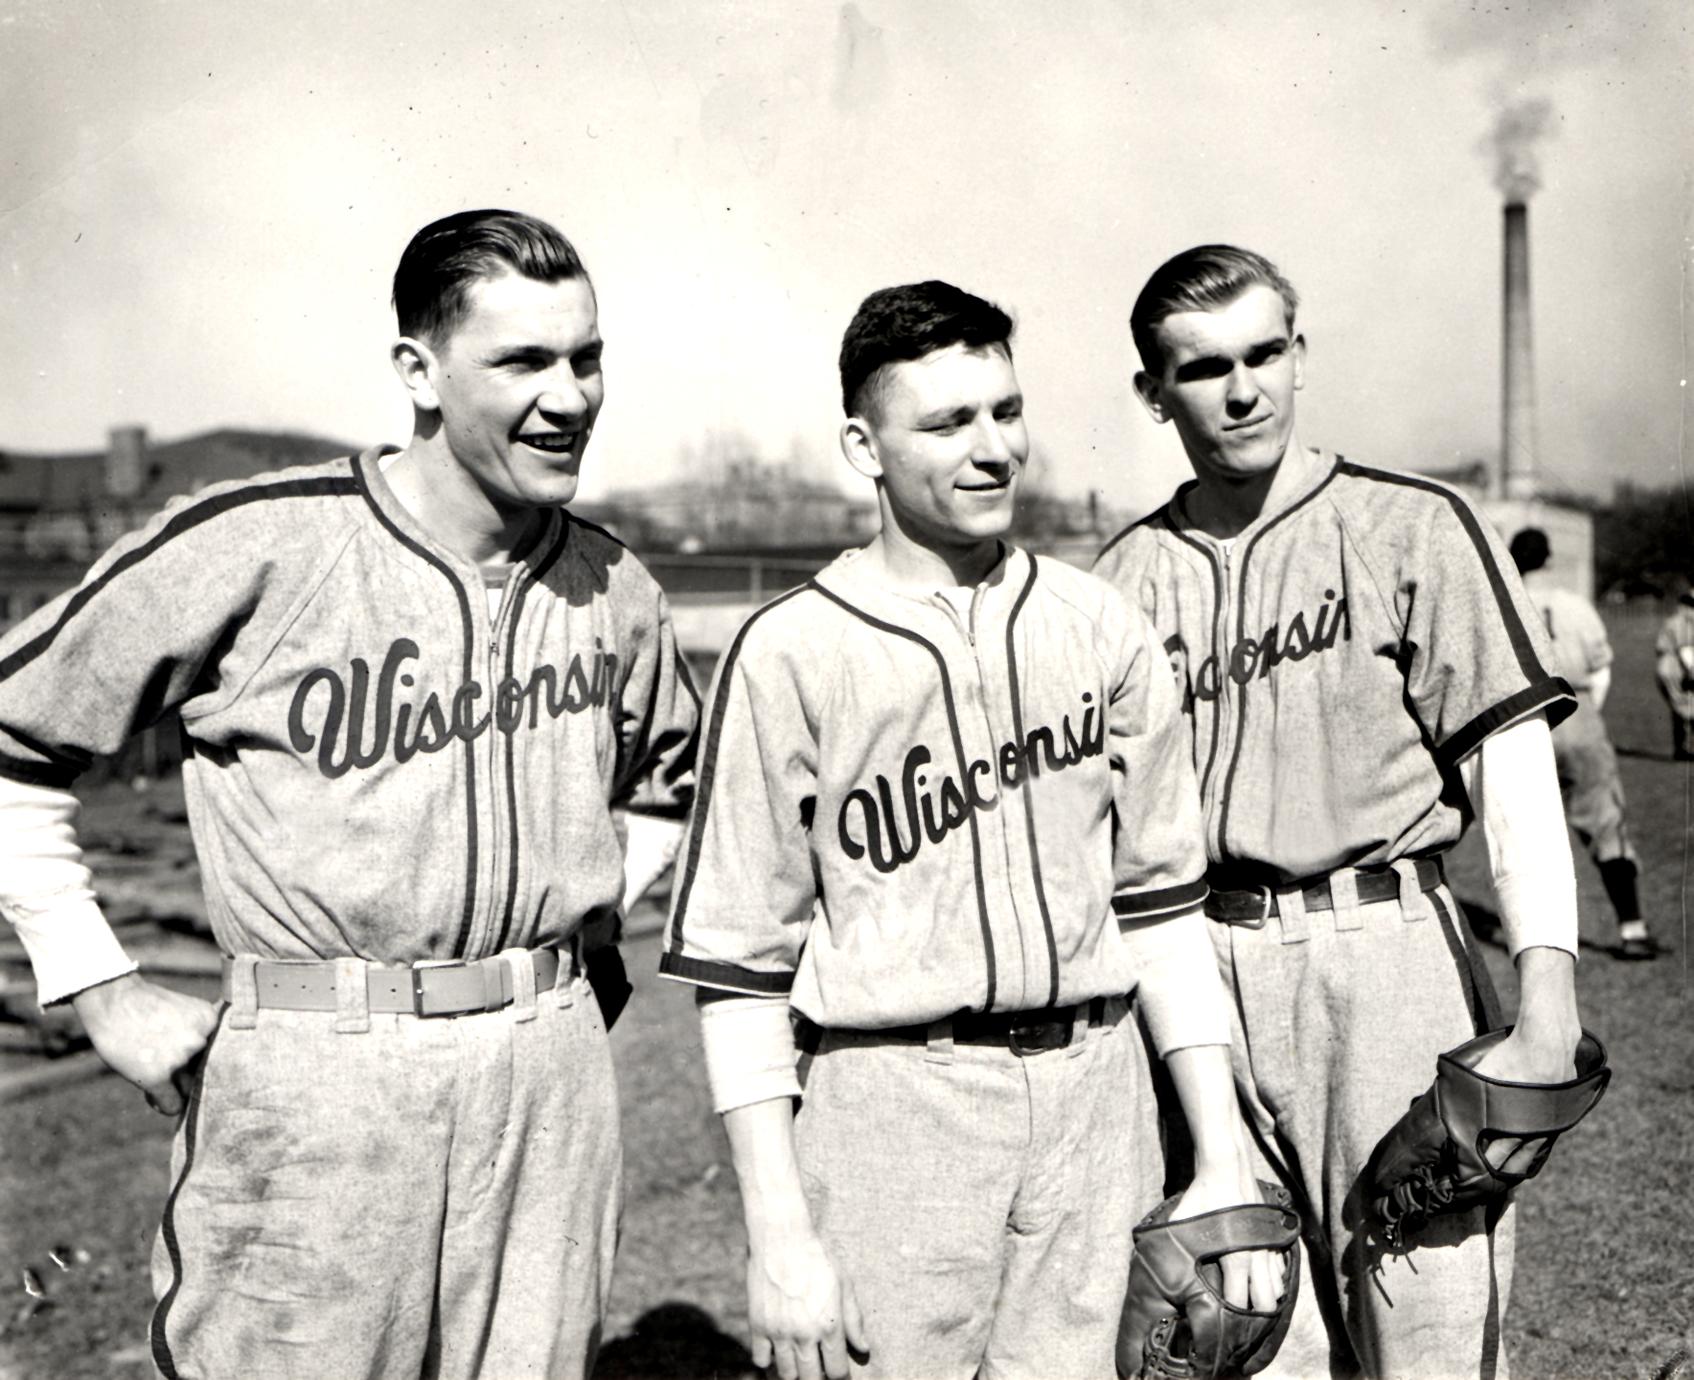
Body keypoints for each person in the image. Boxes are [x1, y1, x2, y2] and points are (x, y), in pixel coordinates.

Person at [0, 209, 698, 1378]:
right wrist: (100, 987)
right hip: (322, 1067)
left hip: (546, 1075)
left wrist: (581, 935)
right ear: (416, 372)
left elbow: (670, 779)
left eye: (585, 357)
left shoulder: (611, 580)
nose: (570, 396)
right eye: (523, 361)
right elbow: (13, 738)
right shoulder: (260, 541)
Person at [660, 280, 1279, 1380]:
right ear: (864, 445)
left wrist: (1220, 1155)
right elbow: (737, 964)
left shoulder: (1100, 624)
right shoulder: (791, 649)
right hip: (894, 1100)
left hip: (1096, 1093)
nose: (992, 448)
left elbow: (1160, 907)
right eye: (947, 423)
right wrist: (778, 1230)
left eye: (1005, 410)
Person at [1095, 245, 1588, 1379]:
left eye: (1266, 352)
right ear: (1152, 392)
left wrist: (1545, 992)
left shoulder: (1410, 524)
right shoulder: (1121, 577)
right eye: (1204, 367)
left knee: (1421, 1329)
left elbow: (1508, 770)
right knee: (1243, 1340)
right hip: (1196, 971)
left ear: (1300, 354)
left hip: (1385, 960)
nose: (1243, 388)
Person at [1509, 527, 1662, 959]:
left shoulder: (1502, 602)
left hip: (1520, 724)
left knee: (1526, 836)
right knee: (1604, 820)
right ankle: (1632, 930)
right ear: (1550, 560)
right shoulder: (1576, 605)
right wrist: (1587, 717)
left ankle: (1535, 945)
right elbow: (1600, 670)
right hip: (1575, 711)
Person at [1655, 586, 1694, 761]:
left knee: (1680, 708)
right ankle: (1682, 749)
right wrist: (1692, 671)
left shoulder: (1673, 620)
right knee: (1687, 708)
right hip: (1676, 667)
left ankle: (1681, 749)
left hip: (1665, 665)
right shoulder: (1685, 622)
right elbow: (1684, 650)